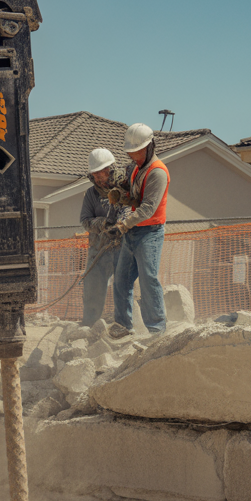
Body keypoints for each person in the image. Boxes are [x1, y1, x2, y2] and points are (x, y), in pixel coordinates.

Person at [107, 123, 169, 339]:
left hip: (149, 232)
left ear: (150, 147)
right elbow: (135, 199)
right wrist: (121, 195)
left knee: (148, 279)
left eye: (137, 152)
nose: (134, 157)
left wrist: (123, 224)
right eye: (130, 153)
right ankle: (124, 325)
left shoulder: (158, 172)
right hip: (133, 232)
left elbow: (148, 208)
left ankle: (157, 329)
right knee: (122, 279)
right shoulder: (135, 168)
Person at [79, 148, 123, 327]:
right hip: (99, 249)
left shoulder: (124, 189)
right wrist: (103, 224)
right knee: (93, 287)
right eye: (95, 174)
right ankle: (90, 325)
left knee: (124, 287)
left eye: (101, 173)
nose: (98, 178)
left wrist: (121, 224)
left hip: (123, 247)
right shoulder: (91, 194)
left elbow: (133, 210)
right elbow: (85, 220)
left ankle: (126, 324)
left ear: (110, 170)